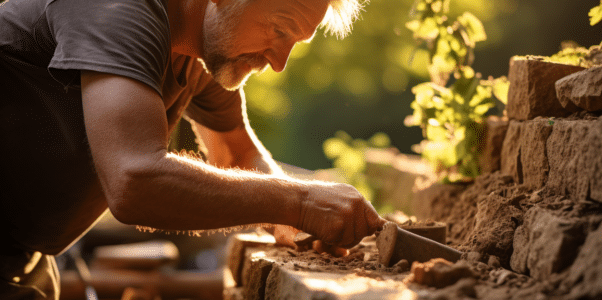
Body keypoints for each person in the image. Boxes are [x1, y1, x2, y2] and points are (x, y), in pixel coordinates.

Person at [0, 0, 386, 298]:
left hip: (23, 257)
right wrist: (299, 202)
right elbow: (135, 181)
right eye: (279, 29)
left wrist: (298, 221)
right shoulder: (119, 9)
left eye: (294, 43)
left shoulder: (200, 52)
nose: (280, 62)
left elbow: (236, 157)